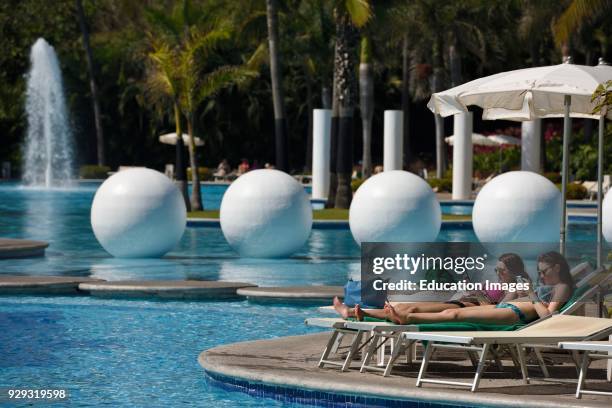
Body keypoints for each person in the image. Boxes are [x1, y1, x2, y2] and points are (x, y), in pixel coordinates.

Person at [383, 251, 574, 325]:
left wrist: (531, 293)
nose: (541, 275)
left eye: (544, 271)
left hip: (516, 313)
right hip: (504, 308)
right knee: (449, 310)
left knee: (453, 314)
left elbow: (548, 317)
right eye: (539, 272)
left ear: (557, 268)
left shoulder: (562, 287)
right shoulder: (548, 286)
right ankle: (386, 313)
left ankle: (407, 318)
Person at [333, 253, 531, 321]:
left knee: (409, 309)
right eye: (496, 270)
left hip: (471, 307)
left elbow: (505, 308)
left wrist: (510, 291)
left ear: (513, 271)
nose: (498, 273)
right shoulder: (501, 283)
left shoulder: (518, 287)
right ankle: (354, 312)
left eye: (502, 270)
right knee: (403, 306)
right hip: (463, 300)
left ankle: (352, 312)